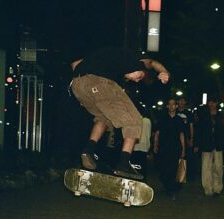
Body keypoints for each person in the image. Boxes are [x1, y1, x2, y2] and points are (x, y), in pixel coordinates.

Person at [70, 46, 170, 180]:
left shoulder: (107, 54)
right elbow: (152, 62)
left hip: (77, 85)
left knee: (104, 117)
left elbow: (74, 64)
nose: (136, 80)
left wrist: (84, 90)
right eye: (139, 76)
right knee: (135, 119)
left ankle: (88, 151)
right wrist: (164, 72)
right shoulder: (136, 58)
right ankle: (124, 163)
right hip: (99, 83)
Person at [154, 98, 186, 200]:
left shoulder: (179, 120)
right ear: (167, 106)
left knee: (173, 169)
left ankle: (171, 189)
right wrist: (155, 145)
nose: (172, 106)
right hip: (164, 147)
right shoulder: (162, 118)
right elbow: (157, 133)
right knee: (164, 168)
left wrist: (183, 148)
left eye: (173, 104)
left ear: (176, 106)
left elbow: (182, 134)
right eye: (170, 104)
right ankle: (167, 185)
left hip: (175, 147)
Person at [195, 96, 224, 196]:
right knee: (206, 168)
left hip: (218, 144)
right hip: (206, 144)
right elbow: (199, 131)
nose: (212, 105)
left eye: (213, 103)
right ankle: (208, 188)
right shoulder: (204, 116)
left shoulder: (221, 116)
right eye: (210, 103)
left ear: (216, 104)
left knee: (218, 167)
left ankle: (217, 188)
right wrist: (197, 144)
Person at [176, 97, 197, 180]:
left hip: (186, 137)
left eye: (183, 100)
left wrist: (191, 138)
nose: (181, 102)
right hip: (175, 137)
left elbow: (191, 126)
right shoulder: (175, 112)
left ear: (185, 102)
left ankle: (185, 175)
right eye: (179, 100)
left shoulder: (188, 113)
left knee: (186, 157)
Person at [130, 107, 152, 181]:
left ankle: (134, 178)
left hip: (136, 145)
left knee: (134, 163)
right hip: (145, 145)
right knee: (143, 164)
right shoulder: (148, 121)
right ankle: (143, 178)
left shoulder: (136, 120)